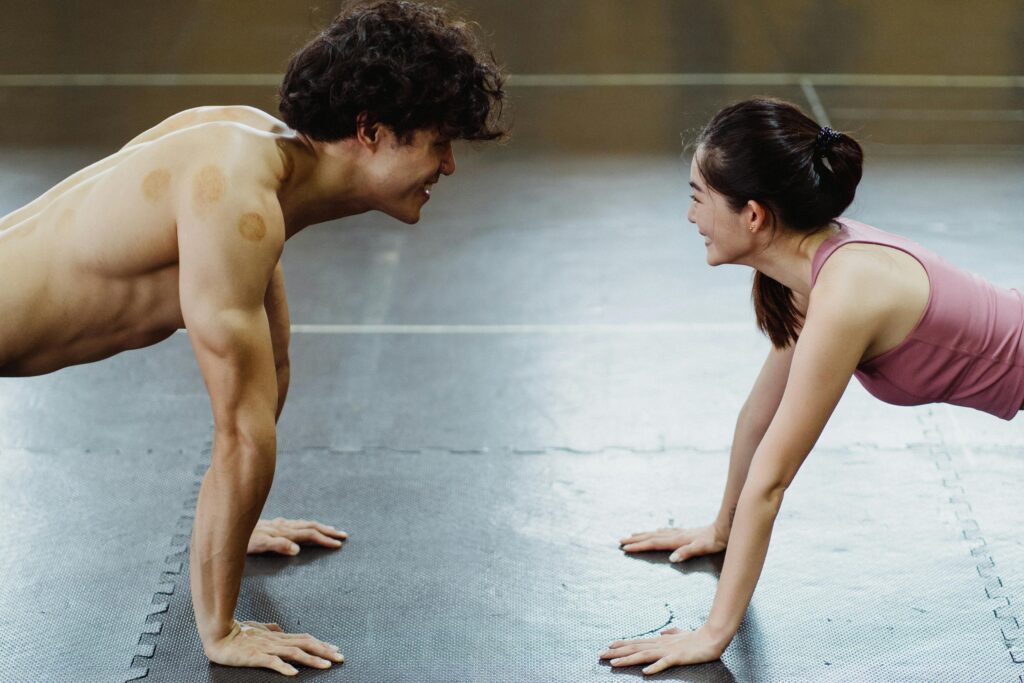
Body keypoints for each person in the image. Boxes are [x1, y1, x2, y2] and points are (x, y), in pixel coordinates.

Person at [0, 0, 504, 675]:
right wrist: (222, 627)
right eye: (437, 142)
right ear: (373, 131)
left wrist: (230, 527)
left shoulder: (252, 158)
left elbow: (272, 369)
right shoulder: (237, 196)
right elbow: (239, 429)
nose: (447, 165)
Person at [600, 98, 1024, 674]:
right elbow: (760, 416)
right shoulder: (812, 271)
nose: (691, 217)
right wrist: (721, 526)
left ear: (752, 215)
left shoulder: (846, 292)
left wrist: (713, 634)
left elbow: (771, 482)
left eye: (697, 198)